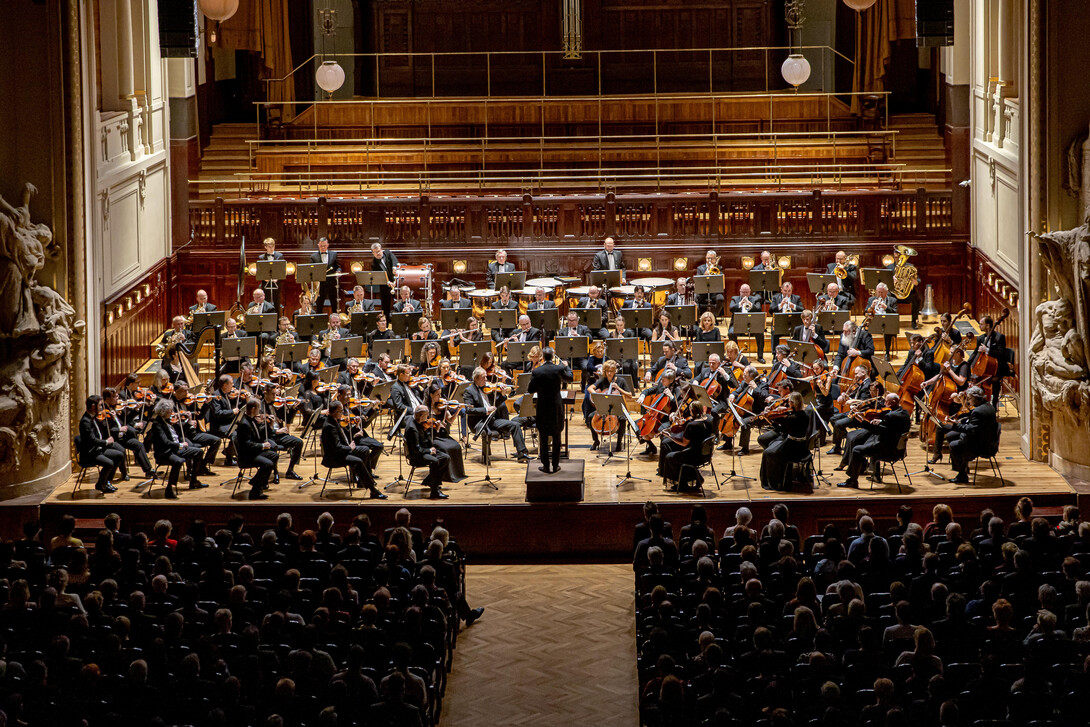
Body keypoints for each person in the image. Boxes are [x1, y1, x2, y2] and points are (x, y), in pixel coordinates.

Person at [836, 392, 912, 488]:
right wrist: (881, 422)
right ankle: (874, 474)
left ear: (893, 402)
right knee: (862, 440)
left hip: (888, 450)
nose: (884, 404)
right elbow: (891, 427)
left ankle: (853, 481)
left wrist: (862, 421)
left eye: (887, 402)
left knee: (856, 449)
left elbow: (877, 431)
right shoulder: (905, 413)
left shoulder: (890, 416)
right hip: (899, 448)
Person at [320, 401, 387, 498]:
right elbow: (337, 447)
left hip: (341, 451)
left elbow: (345, 437)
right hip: (335, 457)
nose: (343, 413)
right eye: (341, 411)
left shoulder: (334, 420)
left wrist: (355, 429)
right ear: (335, 412)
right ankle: (373, 490)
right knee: (358, 461)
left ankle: (362, 481)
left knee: (365, 450)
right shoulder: (330, 426)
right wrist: (349, 447)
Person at [463, 367, 531, 463]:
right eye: (483, 377)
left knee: (515, 425)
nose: (486, 379)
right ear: (476, 379)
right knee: (487, 433)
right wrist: (486, 410)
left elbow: (496, 405)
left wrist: (503, 395)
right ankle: (485, 457)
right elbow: (469, 410)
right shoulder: (469, 391)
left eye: (486, 376)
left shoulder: (488, 388)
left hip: (492, 420)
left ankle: (522, 454)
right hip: (478, 422)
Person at [147, 399, 206, 499]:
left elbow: (179, 432)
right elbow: (165, 442)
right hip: (164, 453)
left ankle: (194, 481)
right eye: (170, 411)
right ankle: (169, 488)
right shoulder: (157, 425)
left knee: (199, 452)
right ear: (164, 412)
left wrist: (188, 423)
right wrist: (180, 445)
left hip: (174, 450)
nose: (173, 413)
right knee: (178, 461)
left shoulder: (168, 421)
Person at [527, 347, 573, 473]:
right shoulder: (559, 369)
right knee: (557, 435)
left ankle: (546, 466)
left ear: (542, 356)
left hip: (542, 406)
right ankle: (556, 465)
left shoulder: (537, 371)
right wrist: (566, 366)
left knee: (543, 436)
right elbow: (570, 378)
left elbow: (530, 390)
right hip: (556, 406)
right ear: (552, 356)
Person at [944, 386, 1000, 484]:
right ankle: (963, 466)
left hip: (983, 445)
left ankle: (962, 474)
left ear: (975, 398)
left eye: (969, 398)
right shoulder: (988, 406)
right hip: (986, 438)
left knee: (954, 445)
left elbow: (971, 429)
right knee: (951, 436)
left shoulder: (978, 411)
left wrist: (954, 424)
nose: (969, 401)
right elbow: (974, 424)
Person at [758, 392, 811, 491]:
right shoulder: (805, 414)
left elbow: (782, 430)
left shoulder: (791, 418)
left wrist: (770, 420)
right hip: (802, 446)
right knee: (771, 446)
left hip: (792, 447)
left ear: (791, 403)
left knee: (767, 452)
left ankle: (772, 483)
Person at [101, 387, 155, 480]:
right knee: (121, 450)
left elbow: (127, 420)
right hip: (112, 438)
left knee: (138, 444)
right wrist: (119, 429)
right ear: (107, 399)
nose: (118, 400)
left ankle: (148, 470)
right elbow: (104, 428)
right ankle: (123, 473)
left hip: (122, 436)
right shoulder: (103, 410)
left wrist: (135, 410)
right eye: (115, 397)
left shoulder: (115, 408)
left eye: (117, 397)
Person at [661, 401, 715, 491]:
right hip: (706, 453)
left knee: (670, 457)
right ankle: (689, 478)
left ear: (692, 411)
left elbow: (684, 443)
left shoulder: (692, 425)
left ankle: (684, 483)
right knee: (676, 453)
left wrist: (669, 436)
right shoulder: (709, 419)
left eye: (690, 411)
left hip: (694, 454)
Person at [77, 395, 124, 493]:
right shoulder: (86, 422)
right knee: (109, 463)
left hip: (98, 449)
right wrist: (106, 442)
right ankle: (102, 484)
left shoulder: (92, 417)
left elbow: (100, 432)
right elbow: (92, 440)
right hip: (90, 453)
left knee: (119, 455)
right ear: (93, 406)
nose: (102, 408)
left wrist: (113, 419)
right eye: (100, 405)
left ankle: (104, 482)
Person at [235, 398, 279, 500]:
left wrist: (270, 426)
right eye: (259, 408)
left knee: (274, 455)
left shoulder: (251, 419)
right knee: (268, 464)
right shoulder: (244, 424)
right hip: (247, 456)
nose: (260, 411)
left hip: (253, 452)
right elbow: (246, 444)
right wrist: (262, 446)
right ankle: (255, 490)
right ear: (254, 408)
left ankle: (259, 482)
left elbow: (258, 435)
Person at [584, 359, 630, 453]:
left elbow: (629, 394)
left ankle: (619, 443)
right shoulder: (602, 381)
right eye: (607, 371)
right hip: (605, 408)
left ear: (615, 371)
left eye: (611, 371)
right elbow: (590, 388)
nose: (609, 373)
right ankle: (596, 441)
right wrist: (599, 396)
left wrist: (618, 388)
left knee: (622, 419)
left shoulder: (621, 381)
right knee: (589, 417)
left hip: (617, 408)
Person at [259, 385, 304, 481]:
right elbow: (261, 428)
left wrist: (293, 409)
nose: (275, 397)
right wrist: (276, 431)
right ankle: (275, 472)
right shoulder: (260, 407)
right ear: (265, 393)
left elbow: (287, 419)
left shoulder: (277, 405)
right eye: (273, 394)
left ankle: (290, 470)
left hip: (280, 435)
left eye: (276, 394)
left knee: (299, 442)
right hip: (269, 436)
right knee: (274, 446)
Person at [404, 405, 450, 499]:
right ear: (421, 416)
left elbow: (427, 440)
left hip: (423, 451)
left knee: (446, 458)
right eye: (426, 415)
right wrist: (429, 450)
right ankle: (434, 491)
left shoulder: (419, 422)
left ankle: (430, 481)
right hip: (416, 456)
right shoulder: (413, 429)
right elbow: (416, 450)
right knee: (434, 461)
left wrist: (436, 430)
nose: (428, 417)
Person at [424, 383, 467, 483]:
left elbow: (450, 421)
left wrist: (458, 410)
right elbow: (424, 426)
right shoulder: (426, 408)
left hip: (443, 435)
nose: (440, 397)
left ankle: (457, 474)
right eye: (438, 395)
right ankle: (446, 475)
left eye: (440, 394)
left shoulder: (442, 406)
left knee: (456, 446)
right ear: (431, 395)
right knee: (445, 448)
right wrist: (435, 425)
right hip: (432, 437)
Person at [969, 315, 1010, 407]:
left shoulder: (999, 337)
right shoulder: (980, 338)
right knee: (977, 378)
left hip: (998, 367)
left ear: (988, 325)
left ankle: (994, 403)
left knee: (994, 380)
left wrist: (987, 350)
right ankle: (978, 403)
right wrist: (969, 365)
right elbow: (975, 353)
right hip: (984, 367)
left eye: (981, 324)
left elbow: (1001, 353)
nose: (979, 326)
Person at [728, 283, 765, 362]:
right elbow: (731, 308)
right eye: (743, 292)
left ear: (750, 292)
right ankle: (736, 355)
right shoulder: (735, 299)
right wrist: (740, 304)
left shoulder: (755, 299)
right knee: (730, 333)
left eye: (746, 292)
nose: (745, 294)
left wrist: (750, 304)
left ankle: (760, 356)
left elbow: (759, 309)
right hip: (738, 325)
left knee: (760, 333)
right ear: (740, 291)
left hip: (752, 326)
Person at [866, 282, 900, 359]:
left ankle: (887, 353)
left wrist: (886, 307)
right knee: (864, 331)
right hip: (874, 322)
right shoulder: (871, 299)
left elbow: (895, 313)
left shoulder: (892, 300)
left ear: (886, 292)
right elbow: (865, 312)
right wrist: (871, 307)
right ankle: (867, 351)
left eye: (882, 292)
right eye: (878, 292)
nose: (880, 294)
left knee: (888, 330)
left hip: (887, 323)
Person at [694, 250, 725, 317]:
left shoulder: (719, 268)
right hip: (703, 292)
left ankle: (714, 316)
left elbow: (721, 281)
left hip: (715, 292)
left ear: (715, 259)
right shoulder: (700, 268)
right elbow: (697, 282)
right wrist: (704, 275)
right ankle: (698, 317)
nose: (709, 260)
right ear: (705, 258)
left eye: (712, 258)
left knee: (720, 298)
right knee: (695, 298)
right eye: (708, 258)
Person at [257, 237, 285, 309]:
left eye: (273, 246)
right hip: (266, 283)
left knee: (277, 303)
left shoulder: (280, 256)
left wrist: (276, 278)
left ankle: (277, 319)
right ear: (265, 247)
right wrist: (265, 278)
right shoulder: (261, 257)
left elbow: (282, 270)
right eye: (269, 247)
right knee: (266, 303)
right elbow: (260, 271)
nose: (272, 248)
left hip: (277, 284)